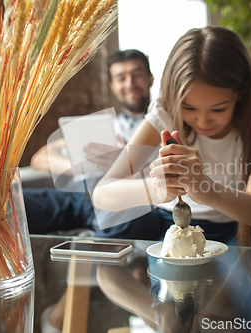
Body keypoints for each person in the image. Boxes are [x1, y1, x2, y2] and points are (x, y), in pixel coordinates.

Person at [92, 26, 251, 248]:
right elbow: (102, 193)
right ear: (174, 97)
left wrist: (209, 191)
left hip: (234, 230)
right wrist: (156, 190)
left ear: (242, 91)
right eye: (189, 107)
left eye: (218, 109)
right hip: (168, 223)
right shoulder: (165, 114)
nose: (203, 122)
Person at [23, 49, 154, 234]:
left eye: (136, 75)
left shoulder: (160, 128)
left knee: (126, 219)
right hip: (74, 195)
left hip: (118, 199)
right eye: (121, 78)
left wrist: (128, 163)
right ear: (112, 85)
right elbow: (38, 159)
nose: (130, 83)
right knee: (9, 205)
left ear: (150, 79)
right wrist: (77, 165)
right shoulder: (102, 126)